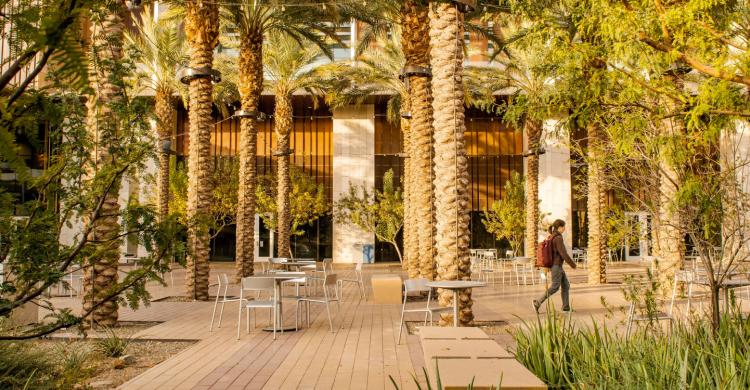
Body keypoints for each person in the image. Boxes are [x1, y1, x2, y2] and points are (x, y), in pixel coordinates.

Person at [533, 219, 576, 313]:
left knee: (565, 285)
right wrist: (573, 264)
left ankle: (566, 307)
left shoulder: (553, 236)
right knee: (555, 287)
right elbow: (563, 253)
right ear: (560, 227)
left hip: (557, 265)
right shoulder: (558, 238)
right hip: (556, 266)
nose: (564, 228)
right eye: (563, 226)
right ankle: (538, 302)